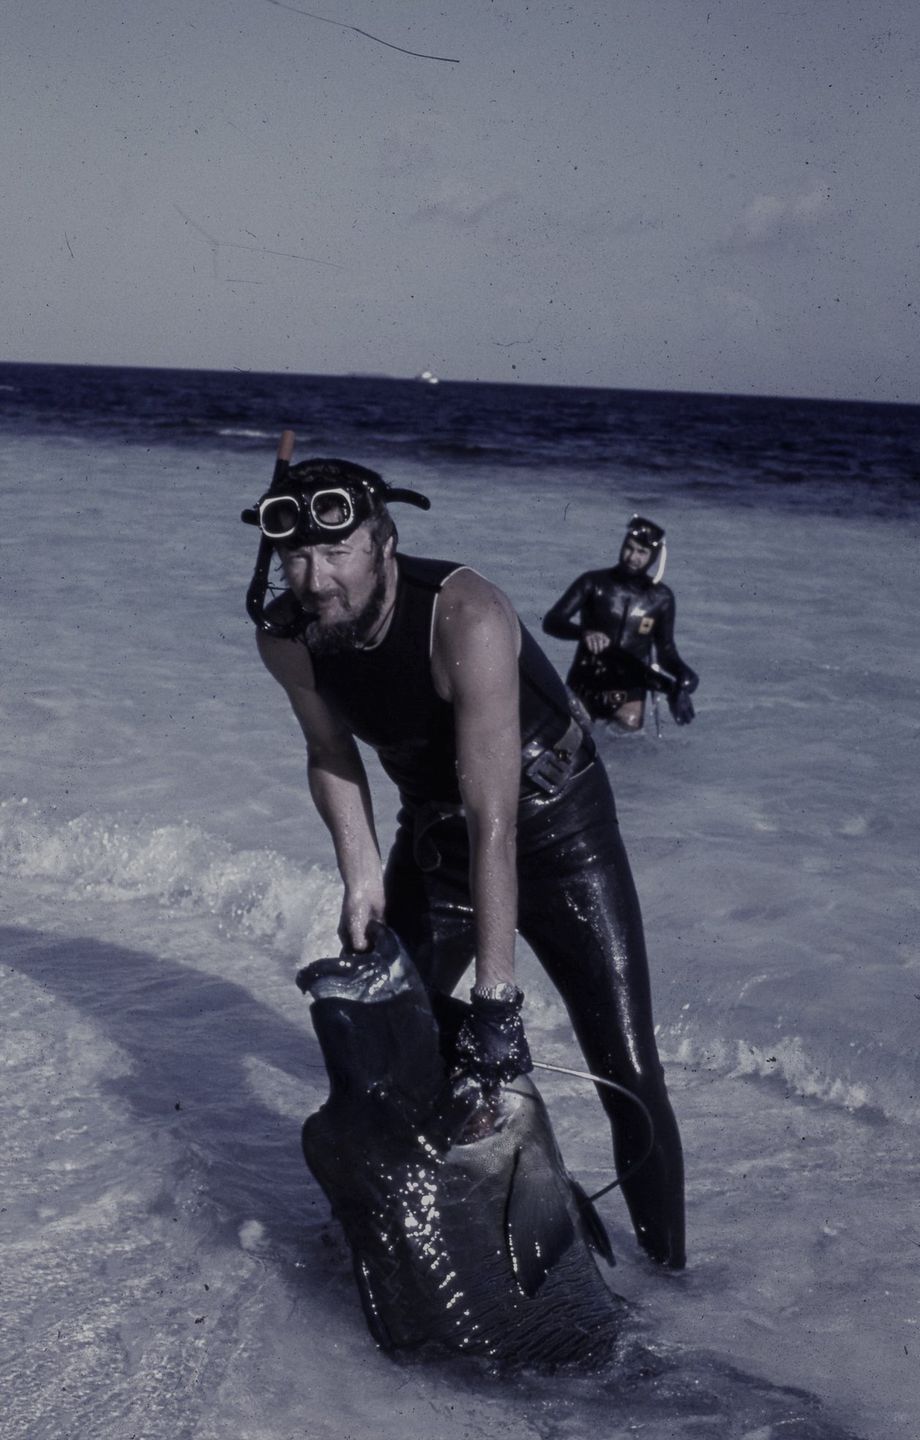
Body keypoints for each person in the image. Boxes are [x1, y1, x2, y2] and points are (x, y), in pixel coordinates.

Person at [242, 446, 686, 1269]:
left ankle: (673, 1275)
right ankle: (430, 1237)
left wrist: (496, 999)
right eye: (296, 556)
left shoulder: (466, 616)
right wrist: (361, 875)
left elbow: (496, 822)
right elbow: (329, 752)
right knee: (385, 1052)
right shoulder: (288, 638)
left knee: (626, 1068)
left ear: (384, 543)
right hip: (435, 837)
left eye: (336, 551)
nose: (315, 579)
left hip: (558, 826)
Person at [543, 516, 699, 731]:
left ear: (653, 557)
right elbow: (552, 621)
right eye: (629, 548)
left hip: (629, 694)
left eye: (641, 552)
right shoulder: (593, 583)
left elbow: (666, 652)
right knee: (571, 741)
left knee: (626, 747)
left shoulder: (662, 598)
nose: (632, 557)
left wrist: (682, 677)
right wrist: (584, 633)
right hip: (584, 685)